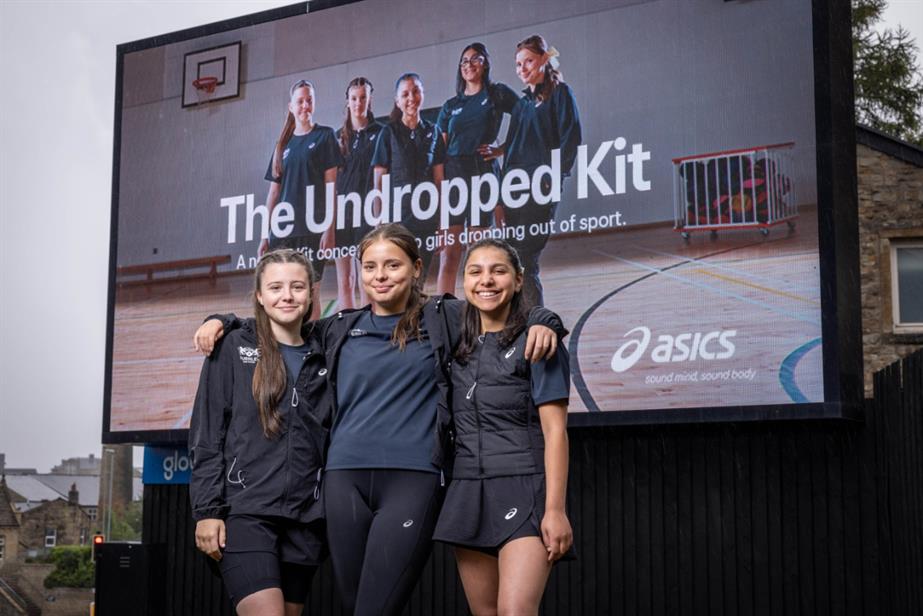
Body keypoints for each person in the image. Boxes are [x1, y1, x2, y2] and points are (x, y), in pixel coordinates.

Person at [193, 224, 565, 616]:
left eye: (392, 265)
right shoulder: (339, 328)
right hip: (343, 482)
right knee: (358, 606)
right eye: (370, 266)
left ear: (417, 269)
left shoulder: (444, 317)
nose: (381, 275)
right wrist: (224, 320)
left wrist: (545, 318)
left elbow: (498, 307)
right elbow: (281, 325)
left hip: (413, 479)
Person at [433, 238, 574, 616]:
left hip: (524, 490)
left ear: (517, 280)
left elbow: (555, 433)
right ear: (463, 281)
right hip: (468, 491)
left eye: (498, 271)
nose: (486, 281)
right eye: (475, 271)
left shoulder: (538, 342)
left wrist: (555, 510)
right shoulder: (454, 342)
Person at [189, 249, 329, 616]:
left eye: (297, 287)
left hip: (305, 519)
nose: (287, 296)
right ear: (260, 296)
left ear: (311, 293)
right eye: (276, 287)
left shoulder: (327, 350)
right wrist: (207, 511)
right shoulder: (233, 347)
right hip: (245, 515)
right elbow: (207, 435)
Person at [481, 35, 582, 306]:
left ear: (544, 60)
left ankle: (536, 324)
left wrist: (553, 178)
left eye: (528, 61)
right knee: (514, 262)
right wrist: (501, 192)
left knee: (526, 260)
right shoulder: (522, 103)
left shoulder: (560, 94)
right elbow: (515, 144)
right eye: (518, 64)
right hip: (514, 191)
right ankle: (519, 326)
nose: (522, 68)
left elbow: (570, 140)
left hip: (539, 189)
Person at [435, 43, 519, 295]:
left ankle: (480, 311)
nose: (469, 65)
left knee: (479, 252)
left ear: (485, 64)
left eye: (475, 59)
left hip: (483, 174)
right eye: (464, 61)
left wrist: (502, 148)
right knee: (450, 254)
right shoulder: (451, 105)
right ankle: (444, 314)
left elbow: (524, 115)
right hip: (455, 178)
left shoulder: (497, 94)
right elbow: (441, 149)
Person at [263, 79, 344, 319]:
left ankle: (313, 348)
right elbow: (273, 194)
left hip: (313, 228)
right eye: (300, 101)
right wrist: (264, 234)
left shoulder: (325, 136)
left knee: (311, 291)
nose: (305, 105)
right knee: (285, 293)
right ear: (291, 106)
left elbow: (332, 188)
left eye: (309, 100)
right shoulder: (282, 145)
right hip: (284, 229)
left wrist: (329, 230)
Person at [371, 74, 446, 287]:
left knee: (418, 282)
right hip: (398, 221)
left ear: (423, 94)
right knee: (399, 281)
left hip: (427, 220)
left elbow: (440, 181)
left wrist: (442, 223)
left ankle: (414, 320)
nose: (411, 98)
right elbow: (379, 182)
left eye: (415, 91)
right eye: (405, 94)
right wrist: (380, 221)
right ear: (397, 101)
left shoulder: (433, 131)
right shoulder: (388, 133)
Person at [334, 77, 382, 309]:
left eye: (363, 97)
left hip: (368, 214)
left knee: (366, 277)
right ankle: (347, 326)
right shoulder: (338, 137)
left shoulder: (381, 132)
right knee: (345, 280)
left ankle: (367, 325)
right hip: (343, 214)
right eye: (354, 98)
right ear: (347, 101)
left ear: (370, 100)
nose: (358, 102)